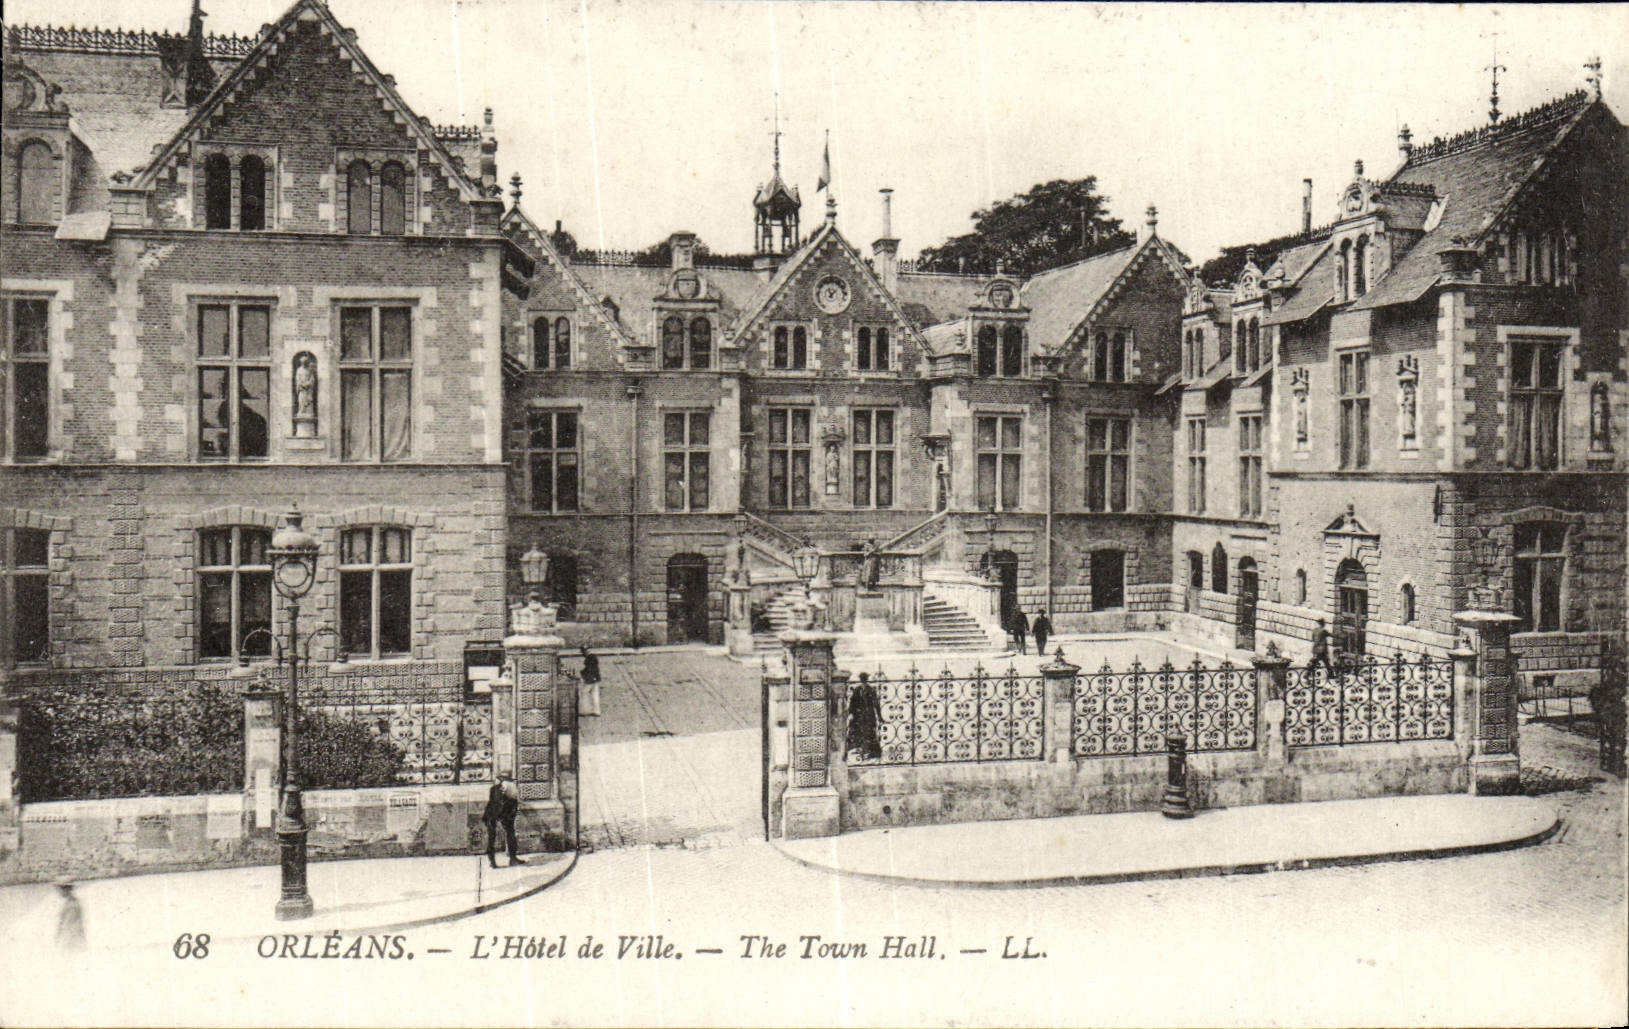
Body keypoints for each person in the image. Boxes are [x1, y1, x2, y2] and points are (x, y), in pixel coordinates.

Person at [483, 774, 523, 868]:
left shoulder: (494, 788)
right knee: (510, 833)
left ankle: (492, 861)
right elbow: (514, 799)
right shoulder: (509, 786)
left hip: (493, 812)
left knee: (492, 836)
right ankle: (512, 859)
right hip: (502, 812)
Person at [847, 673, 882, 762]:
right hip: (859, 716)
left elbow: (876, 704)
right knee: (859, 733)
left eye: (864, 679)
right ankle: (862, 751)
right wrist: (851, 713)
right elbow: (852, 702)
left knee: (870, 733)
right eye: (862, 679)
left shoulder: (871, 690)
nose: (863, 681)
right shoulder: (857, 690)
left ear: (866, 679)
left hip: (869, 716)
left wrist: (879, 716)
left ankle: (870, 752)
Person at [55, 878, 86, 952]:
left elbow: (70, 925)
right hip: (71, 940)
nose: (59, 892)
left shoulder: (72, 904)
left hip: (72, 941)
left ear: (66, 890)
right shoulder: (69, 902)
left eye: (61, 889)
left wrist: (62, 940)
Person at [579, 647, 602, 716]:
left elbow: (589, 669)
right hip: (595, 678)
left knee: (584, 693)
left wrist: (583, 673)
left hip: (590, 679)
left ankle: (585, 710)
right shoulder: (593, 657)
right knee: (595, 695)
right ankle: (596, 711)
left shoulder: (589, 658)